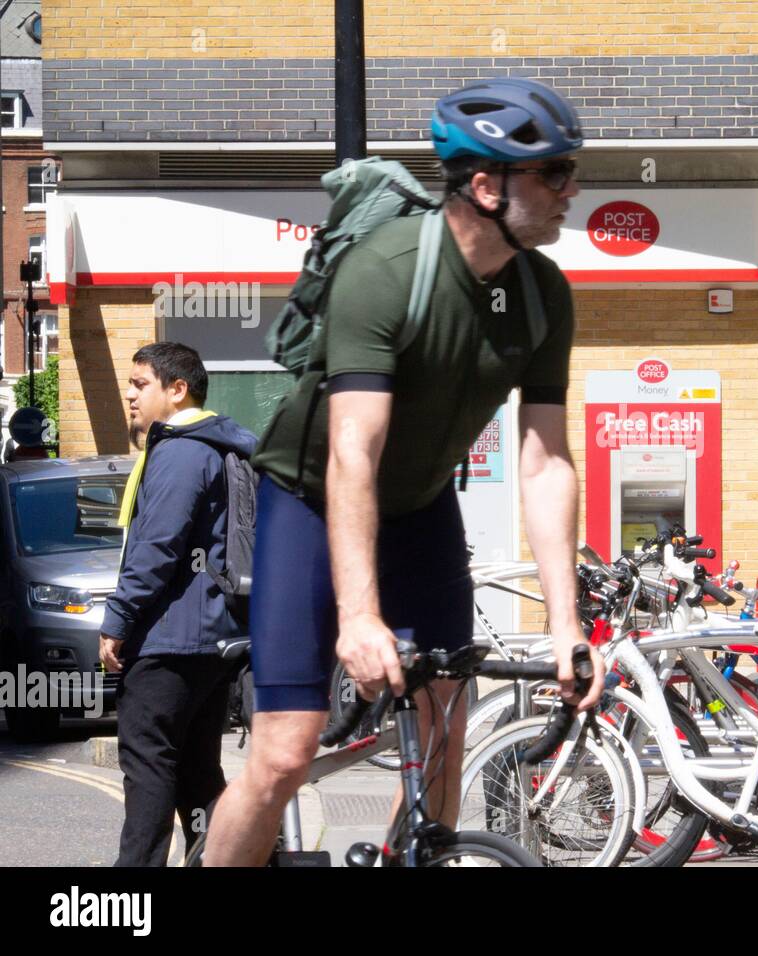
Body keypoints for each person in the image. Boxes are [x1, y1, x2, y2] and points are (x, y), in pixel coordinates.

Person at [202, 77, 604, 865]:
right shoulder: (385, 272)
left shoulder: (542, 293)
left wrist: (565, 623)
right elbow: (354, 453)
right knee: (286, 751)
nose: (572, 190)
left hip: (421, 510)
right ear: (486, 186)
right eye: (554, 174)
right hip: (312, 504)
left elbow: (546, 459)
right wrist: (359, 616)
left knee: (446, 727)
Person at [99, 341, 258, 866]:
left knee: (148, 775)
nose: (129, 395)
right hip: (209, 640)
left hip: (169, 641)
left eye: (140, 384)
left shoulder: (182, 450)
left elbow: (156, 548)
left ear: (177, 389)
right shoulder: (220, 445)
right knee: (196, 777)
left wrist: (118, 619)